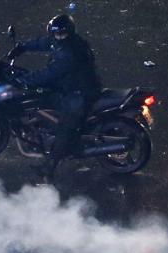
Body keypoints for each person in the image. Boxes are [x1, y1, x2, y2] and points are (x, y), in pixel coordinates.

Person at [11, 14, 102, 178]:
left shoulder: (70, 51)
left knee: (65, 128)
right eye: (56, 34)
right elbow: (45, 43)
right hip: (68, 86)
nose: (58, 37)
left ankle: (50, 166)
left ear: (69, 33)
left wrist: (24, 80)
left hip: (79, 92)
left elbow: (50, 73)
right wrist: (22, 47)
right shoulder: (60, 42)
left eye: (61, 34)